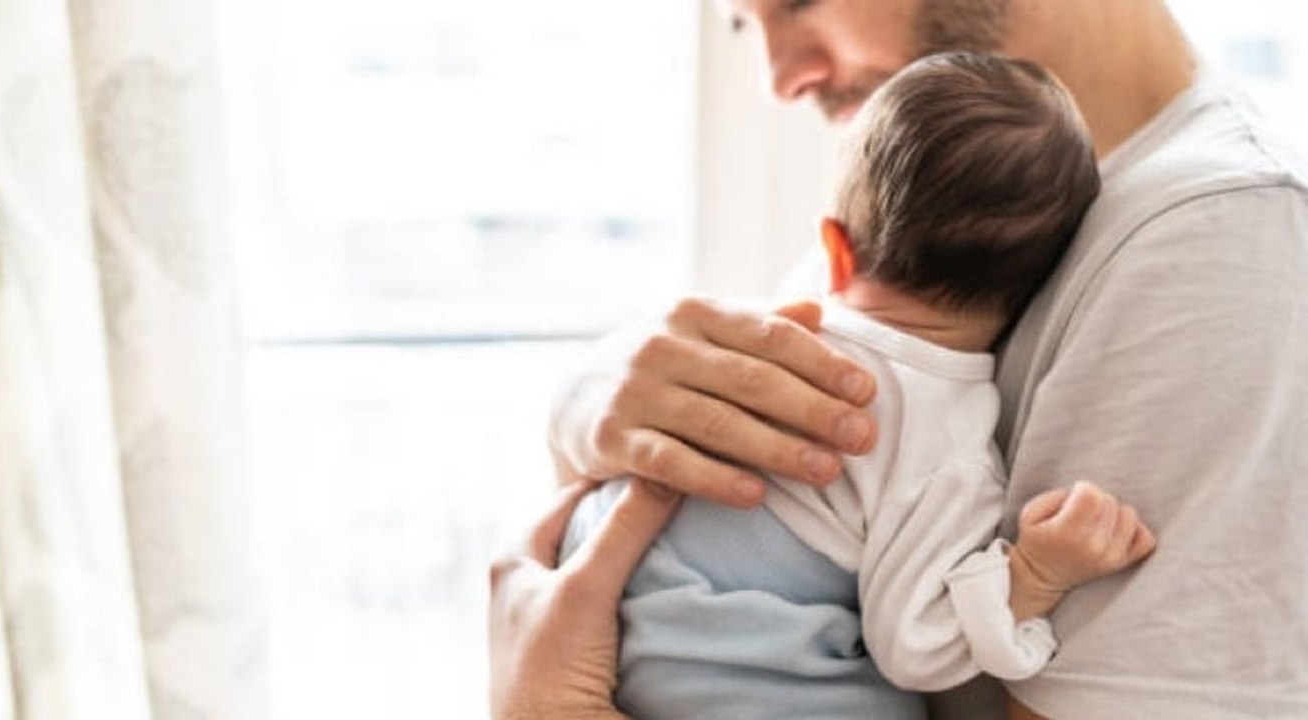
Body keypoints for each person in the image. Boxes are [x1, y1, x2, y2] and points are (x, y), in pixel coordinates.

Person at [492, 1, 1308, 718]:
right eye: (744, 25)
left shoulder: (1214, 242)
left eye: (799, 1)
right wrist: (587, 404)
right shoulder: (938, 204)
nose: (779, 78)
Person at [557, 51, 1155, 720]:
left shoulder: (753, 340)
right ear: (1037, 289)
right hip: (738, 681)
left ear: (834, 248)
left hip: (606, 622)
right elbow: (917, 647)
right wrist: (1034, 577)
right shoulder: (943, 445)